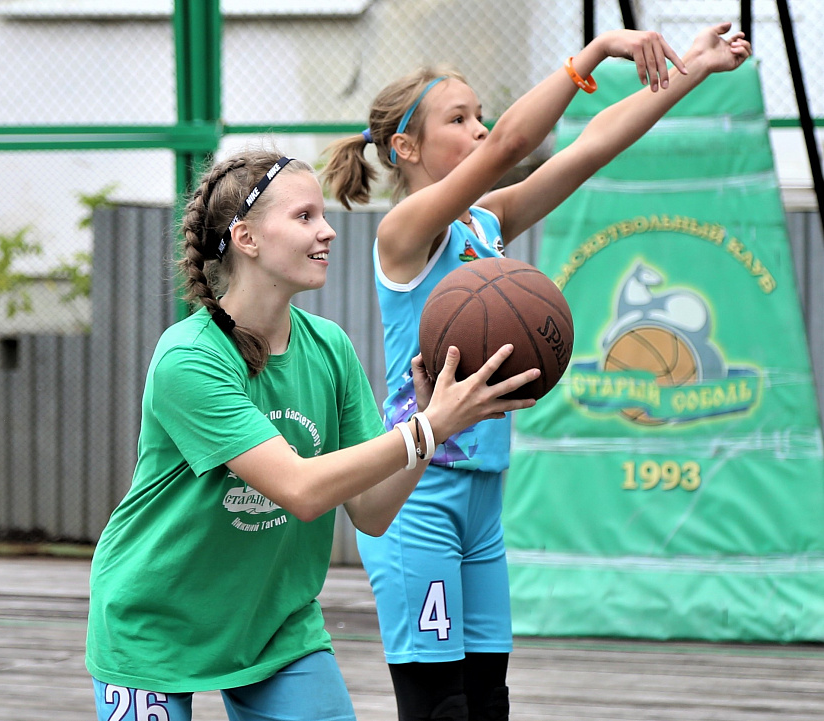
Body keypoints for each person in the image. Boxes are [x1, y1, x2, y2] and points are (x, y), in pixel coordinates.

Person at [320, 22, 751, 721]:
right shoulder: (403, 236)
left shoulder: (485, 224)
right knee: (441, 709)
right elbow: (514, 144)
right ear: (406, 147)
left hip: (485, 495)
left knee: (489, 700)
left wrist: (694, 69)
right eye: (458, 118)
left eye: (481, 113)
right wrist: (592, 55)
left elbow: (590, 147)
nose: (481, 127)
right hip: (417, 497)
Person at [84, 149, 542, 721]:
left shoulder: (329, 347)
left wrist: (428, 431)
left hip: (273, 624)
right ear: (246, 238)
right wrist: (427, 428)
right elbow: (299, 490)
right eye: (304, 217)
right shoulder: (190, 358)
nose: (327, 231)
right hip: (156, 622)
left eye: (322, 214)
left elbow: (372, 513)